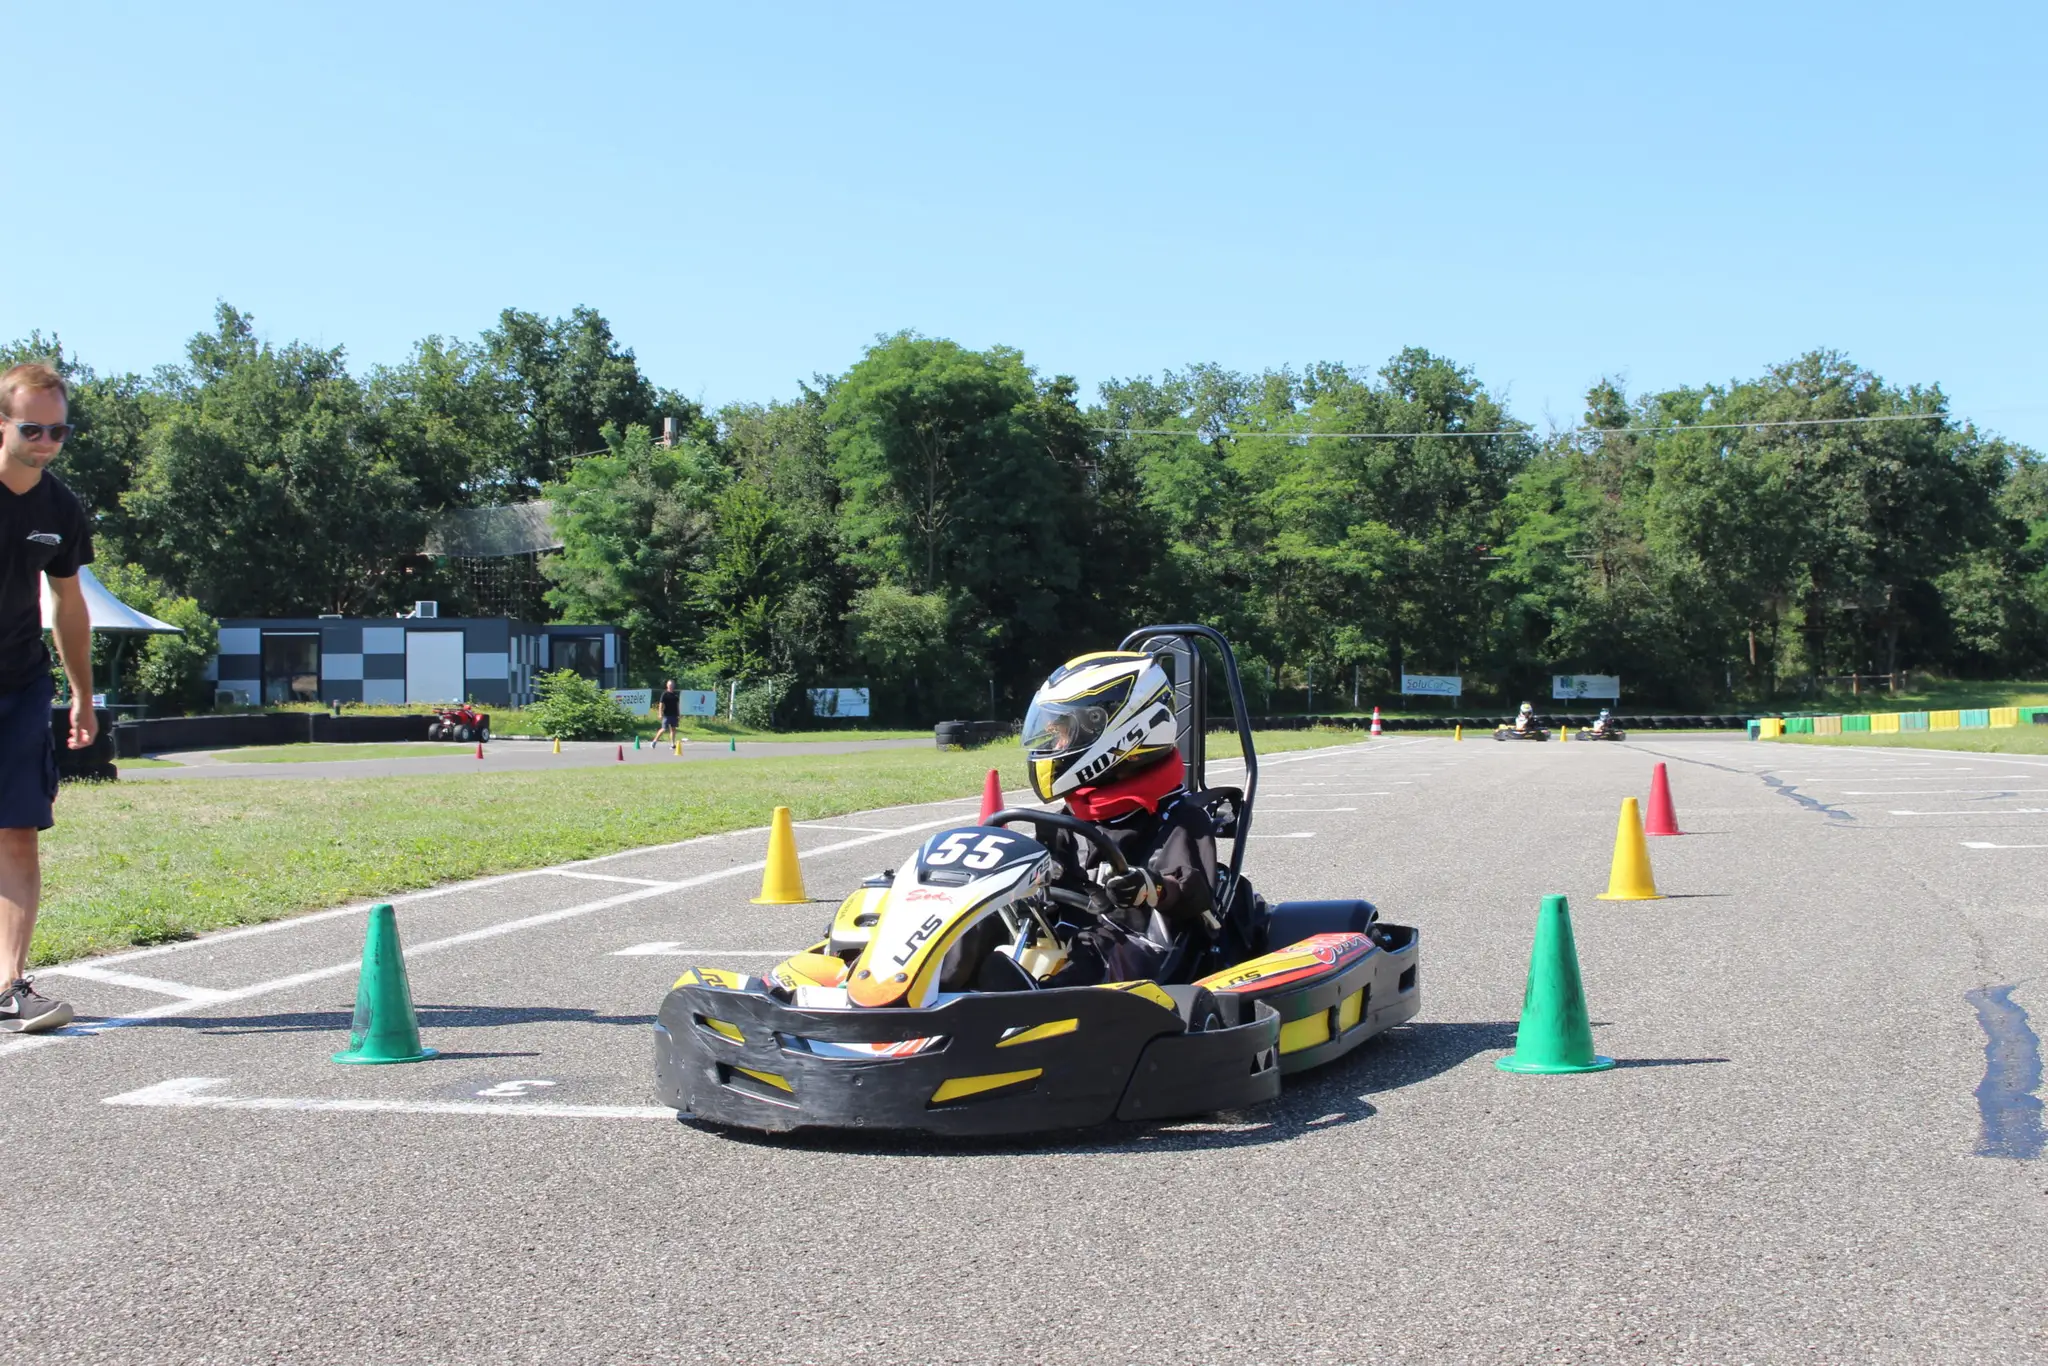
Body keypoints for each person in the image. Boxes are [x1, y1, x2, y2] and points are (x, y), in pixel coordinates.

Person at [1020, 651, 1217, 987]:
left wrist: (1151, 887)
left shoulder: (1181, 819)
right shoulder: (1067, 821)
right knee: (979, 927)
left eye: (1066, 732)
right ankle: (915, 1002)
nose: (1057, 744)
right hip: (1067, 940)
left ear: (1123, 730)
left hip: (1139, 955)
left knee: (1090, 954)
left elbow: (1193, 894)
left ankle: (1020, 1008)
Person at [0, 364, 95, 1032]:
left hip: (20, 684)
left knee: (18, 831)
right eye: (31, 428)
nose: (45, 442)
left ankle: (10, 985)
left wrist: (84, 695)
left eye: (57, 431)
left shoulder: (59, 508)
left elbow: (68, 603)